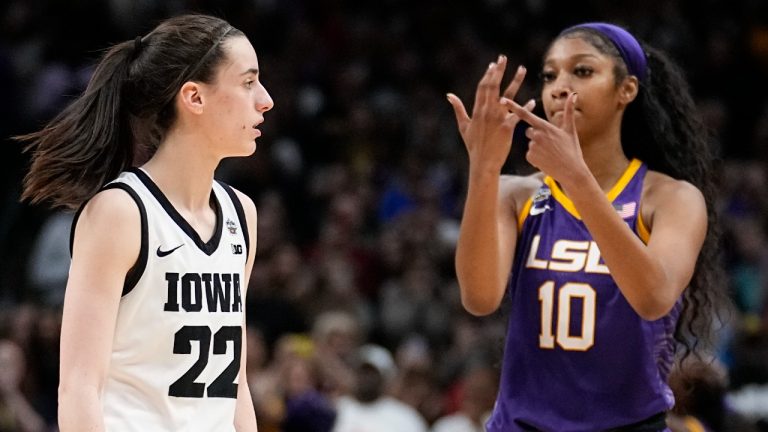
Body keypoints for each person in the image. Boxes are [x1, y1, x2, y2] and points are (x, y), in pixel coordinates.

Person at [447, 22, 727, 430]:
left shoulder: (670, 198)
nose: (560, 86)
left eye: (581, 71)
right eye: (550, 75)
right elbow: (479, 297)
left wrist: (577, 179)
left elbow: (653, 297)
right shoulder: (515, 194)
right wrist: (483, 169)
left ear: (626, 90)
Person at [16, 13, 273, 431]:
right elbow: (79, 388)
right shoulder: (121, 212)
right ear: (194, 97)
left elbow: (235, 382)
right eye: (247, 82)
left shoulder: (241, 213)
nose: (265, 99)